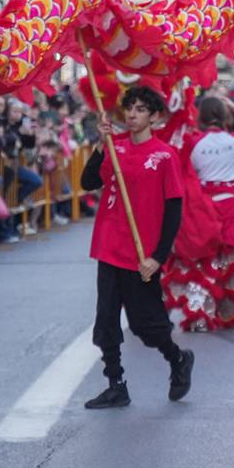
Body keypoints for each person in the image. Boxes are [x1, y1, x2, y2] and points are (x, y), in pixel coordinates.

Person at [80, 85, 193, 410]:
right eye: (129, 108)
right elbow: (88, 182)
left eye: (141, 109)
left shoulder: (165, 155)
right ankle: (116, 383)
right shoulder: (115, 147)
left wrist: (158, 257)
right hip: (108, 246)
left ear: (154, 116)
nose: (132, 114)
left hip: (142, 254)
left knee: (147, 325)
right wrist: (102, 146)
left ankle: (178, 359)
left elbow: (174, 210)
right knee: (106, 321)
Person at [161, 95, 234, 332]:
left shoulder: (194, 142)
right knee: (229, 257)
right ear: (224, 115)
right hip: (232, 203)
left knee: (202, 260)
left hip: (204, 205)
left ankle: (200, 311)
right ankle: (228, 308)